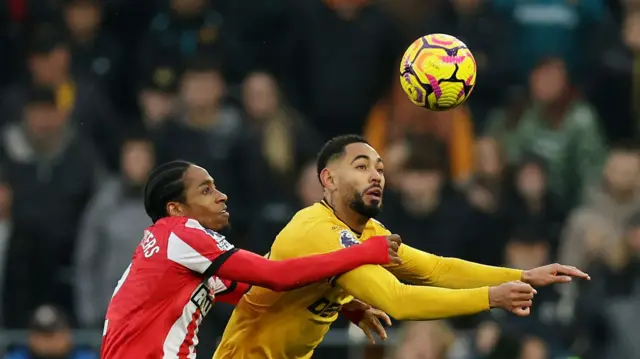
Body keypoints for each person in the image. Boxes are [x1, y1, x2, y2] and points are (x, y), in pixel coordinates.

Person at [213, 134, 590, 359]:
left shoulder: (370, 230)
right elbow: (398, 300)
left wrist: (523, 274)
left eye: (379, 167)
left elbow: (435, 269)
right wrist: (491, 296)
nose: (376, 175)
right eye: (361, 167)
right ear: (327, 179)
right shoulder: (316, 228)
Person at [100, 160, 401, 359]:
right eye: (206, 190)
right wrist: (363, 252)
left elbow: (258, 293)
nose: (222, 196)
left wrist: (344, 303)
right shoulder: (182, 234)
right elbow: (277, 276)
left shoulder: (175, 252)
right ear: (176, 208)